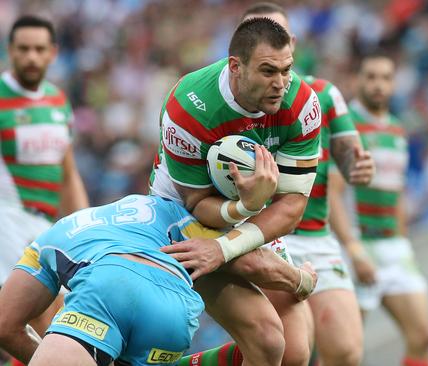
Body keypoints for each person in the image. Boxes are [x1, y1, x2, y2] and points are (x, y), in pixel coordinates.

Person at [150, 18, 322, 366]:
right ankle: (296, 281)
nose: (280, 84)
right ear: (235, 67)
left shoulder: (302, 106)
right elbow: (198, 203)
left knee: (294, 355)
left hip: (249, 206)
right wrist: (242, 213)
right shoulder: (189, 106)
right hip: (181, 210)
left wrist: (231, 236)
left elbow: (291, 208)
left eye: (286, 70)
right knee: (268, 338)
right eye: (268, 71)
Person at [0, 194, 316, 366]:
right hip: (170, 313)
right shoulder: (164, 210)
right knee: (274, 343)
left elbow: (4, 325)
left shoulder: (48, 239)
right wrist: (300, 279)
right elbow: (250, 262)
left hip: (105, 292)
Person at [240, 3, 375, 365]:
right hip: (261, 240)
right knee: (289, 352)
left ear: (292, 43)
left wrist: (357, 165)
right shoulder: (228, 105)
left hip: (314, 233)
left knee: (346, 351)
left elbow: (349, 156)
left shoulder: (323, 95)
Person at [329, 52, 428, 366]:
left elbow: (397, 191)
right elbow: (333, 194)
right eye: (371, 76)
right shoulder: (347, 128)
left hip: (394, 247)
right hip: (358, 245)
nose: (378, 85)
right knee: (343, 351)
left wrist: (403, 240)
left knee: (423, 336)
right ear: (357, 80)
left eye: (385, 78)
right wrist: (353, 247)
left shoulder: (398, 132)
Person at [0, 17, 89, 365]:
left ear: (53, 53)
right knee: (41, 320)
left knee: (59, 319)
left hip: (42, 225)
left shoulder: (57, 102)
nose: (31, 57)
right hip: (5, 219)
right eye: (23, 49)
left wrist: (83, 228)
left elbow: (67, 175)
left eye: (39, 49)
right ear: (10, 52)